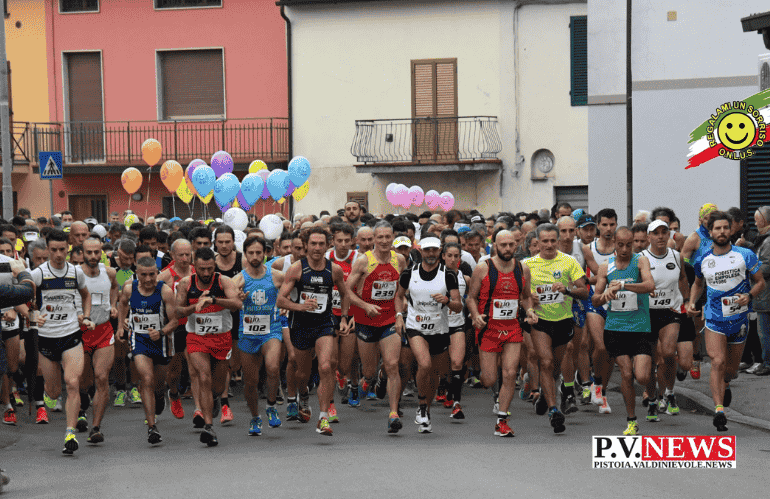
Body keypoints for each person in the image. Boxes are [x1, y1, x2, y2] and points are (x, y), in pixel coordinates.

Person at [687, 211, 765, 432]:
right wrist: (692, 302)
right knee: (717, 362)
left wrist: (749, 296)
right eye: (717, 228)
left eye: (725, 228)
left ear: (731, 230)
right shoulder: (702, 258)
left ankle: (727, 383)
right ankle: (719, 410)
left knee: (730, 371)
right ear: (710, 232)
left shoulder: (745, 254)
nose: (722, 232)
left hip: (739, 319)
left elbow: (760, 282)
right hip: (714, 318)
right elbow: (698, 284)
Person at [277, 227, 352, 437]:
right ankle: (303, 395)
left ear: (327, 245)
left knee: (326, 366)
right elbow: (281, 300)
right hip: (301, 325)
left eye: (321, 244)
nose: (317, 248)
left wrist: (343, 318)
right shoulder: (296, 269)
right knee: (302, 374)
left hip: (324, 324)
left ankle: (323, 417)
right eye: (313, 244)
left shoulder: (334, 270)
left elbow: (345, 294)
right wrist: (300, 307)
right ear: (306, 246)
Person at [29, 229, 95, 454]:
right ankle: (49, 394)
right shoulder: (38, 274)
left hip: (70, 335)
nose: (58, 254)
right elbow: (23, 301)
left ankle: (70, 433)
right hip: (46, 339)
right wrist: (32, 316)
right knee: (55, 392)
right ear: (47, 249)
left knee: (73, 382)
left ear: (68, 249)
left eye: (62, 250)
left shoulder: (76, 273)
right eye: (54, 250)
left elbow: (86, 295)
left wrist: (86, 316)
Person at [467, 229, 537, 437]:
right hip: (488, 329)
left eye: (511, 244)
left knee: (509, 373)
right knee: (489, 379)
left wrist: (530, 310)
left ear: (516, 245)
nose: (507, 248)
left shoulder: (522, 268)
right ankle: (490, 375)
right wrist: (475, 315)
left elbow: (526, 297)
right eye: (503, 245)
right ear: (495, 246)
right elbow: (471, 298)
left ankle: (502, 420)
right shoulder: (483, 268)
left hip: (512, 328)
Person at [524, 224, 588, 433]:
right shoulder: (527, 265)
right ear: (537, 242)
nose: (549, 245)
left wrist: (567, 290)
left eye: (553, 240)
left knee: (556, 368)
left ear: (558, 241)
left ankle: (546, 394)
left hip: (563, 320)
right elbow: (518, 294)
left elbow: (584, 291)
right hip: (540, 321)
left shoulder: (569, 261)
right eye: (545, 241)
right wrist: (529, 300)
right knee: (546, 362)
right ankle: (554, 410)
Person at [176, 248, 242, 446]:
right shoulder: (186, 284)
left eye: (210, 269)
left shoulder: (223, 281)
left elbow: (237, 304)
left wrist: (213, 300)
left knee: (218, 387)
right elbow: (178, 311)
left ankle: (213, 399)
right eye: (202, 269)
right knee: (204, 377)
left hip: (221, 338)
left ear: (215, 266)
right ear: (194, 266)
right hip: (197, 338)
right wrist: (195, 306)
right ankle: (208, 427)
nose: (206, 273)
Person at [395, 235, 461, 433]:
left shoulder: (448, 275)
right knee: (424, 364)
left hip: (439, 329)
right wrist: (399, 316)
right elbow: (399, 296)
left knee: (435, 374)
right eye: (427, 250)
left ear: (439, 251)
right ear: (420, 251)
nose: (431, 254)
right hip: (415, 326)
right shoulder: (409, 273)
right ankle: (422, 406)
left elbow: (458, 306)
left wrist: (447, 301)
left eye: (434, 250)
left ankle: (426, 411)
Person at [592, 227, 655, 436]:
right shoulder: (605, 267)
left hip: (640, 327)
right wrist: (606, 295)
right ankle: (631, 420)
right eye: (621, 245)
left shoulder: (640, 261)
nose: (626, 249)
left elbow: (649, 285)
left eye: (629, 244)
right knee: (627, 374)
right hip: (615, 328)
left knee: (642, 377)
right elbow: (595, 299)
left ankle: (652, 393)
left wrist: (625, 286)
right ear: (614, 244)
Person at [347, 221, 407, 432]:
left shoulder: (400, 260)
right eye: (379, 237)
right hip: (366, 321)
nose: (384, 241)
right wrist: (365, 306)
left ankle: (393, 413)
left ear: (393, 238)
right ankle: (372, 378)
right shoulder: (364, 261)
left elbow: (400, 292)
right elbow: (346, 290)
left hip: (389, 320)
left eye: (387, 237)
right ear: (374, 239)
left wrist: (400, 314)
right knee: (369, 370)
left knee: (392, 364)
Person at [115, 257, 178, 445]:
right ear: (137, 273)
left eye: (152, 274)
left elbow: (174, 321)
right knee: (147, 379)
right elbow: (122, 304)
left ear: (157, 273)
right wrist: (121, 325)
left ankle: (160, 396)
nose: (149, 279)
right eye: (144, 275)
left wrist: (161, 332)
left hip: (161, 343)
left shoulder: (165, 292)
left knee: (158, 385)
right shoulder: (129, 289)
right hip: (139, 340)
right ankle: (152, 427)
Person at [232, 235, 285, 435]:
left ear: (265, 254)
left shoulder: (277, 276)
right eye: (251, 253)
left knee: (273, 367)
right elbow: (231, 305)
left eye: (258, 253)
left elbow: (290, 292)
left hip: (271, 329)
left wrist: (285, 305)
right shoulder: (238, 280)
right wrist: (238, 299)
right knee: (250, 382)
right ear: (245, 255)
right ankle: (255, 417)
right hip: (248, 333)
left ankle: (271, 405)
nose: (255, 257)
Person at [641, 220, 689, 419]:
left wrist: (687, 301)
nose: (660, 236)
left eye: (664, 232)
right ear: (649, 237)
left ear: (669, 234)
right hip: (647, 314)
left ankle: (668, 392)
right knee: (650, 363)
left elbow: (683, 278)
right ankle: (653, 399)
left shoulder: (677, 256)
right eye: (656, 233)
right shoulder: (641, 258)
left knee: (668, 353)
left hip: (671, 311)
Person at [77, 237, 119, 444]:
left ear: (101, 252)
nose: (93, 256)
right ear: (82, 253)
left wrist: (113, 305)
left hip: (103, 330)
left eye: (96, 252)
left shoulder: (109, 272)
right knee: (83, 381)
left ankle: (96, 428)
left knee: (101, 377)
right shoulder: (75, 274)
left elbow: (115, 287)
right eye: (89, 252)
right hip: (80, 332)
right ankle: (82, 406)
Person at [581, 208, 617, 410]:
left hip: (616, 302)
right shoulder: (588, 248)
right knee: (600, 347)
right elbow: (599, 274)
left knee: (610, 352)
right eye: (604, 225)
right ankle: (595, 380)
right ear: (598, 226)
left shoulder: (621, 247)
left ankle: (602, 390)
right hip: (595, 300)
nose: (608, 228)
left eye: (612, 224)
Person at [158, 239, 195, 422]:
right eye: (181, 255)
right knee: (175, 370)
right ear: (172, 255)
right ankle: (173, 394)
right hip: (175, 326)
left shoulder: (197, 272)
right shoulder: (165, 276)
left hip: (195, 326)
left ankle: (200, 409)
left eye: (188, 254)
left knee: (196, 367)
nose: (185, 258)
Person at [681, 203, 719, 380]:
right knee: (697, 327)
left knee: (714, 325)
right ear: (701, 219)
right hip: (699, 284)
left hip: (717, 285)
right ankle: (695, 357)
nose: (710, 221)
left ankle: (719, 362)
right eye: (707, 218)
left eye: (713, 218)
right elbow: (683, 263)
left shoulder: (719, 235)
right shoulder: (694, 238)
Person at [326, 223, 359, 420]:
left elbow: (361, 288)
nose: (343, 244)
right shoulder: (326, 257)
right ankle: (330, 405)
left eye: (347, 240)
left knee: (344, 365)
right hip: (328, 315)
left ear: (352, 241)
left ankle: (342, 376)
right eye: (340, 240)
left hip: (350, 314)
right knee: (330, 362)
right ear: (333, 241)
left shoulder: (357, 259)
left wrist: (355, 315)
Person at [213, 225, 243, 425]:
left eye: (227, 242)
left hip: (240, 314)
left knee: (235, 364)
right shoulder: (210, 263)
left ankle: (220, 390)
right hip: (217, 314)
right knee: (222, 360)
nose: (224, 245)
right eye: (220, 242)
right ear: (215, 243)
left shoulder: (243, 260)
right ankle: (223, 402)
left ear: (233, 242)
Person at [442, 242, 471, 419]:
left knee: (457, 362)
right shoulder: (435, 275)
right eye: (449, 256)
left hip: (457, 324)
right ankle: (444, 389)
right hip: (438, 326)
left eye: (456, 256)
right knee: (441, 366)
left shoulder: (464, 278)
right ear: (443, 256)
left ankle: (456, 403)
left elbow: (473, 297)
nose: (453, 259)